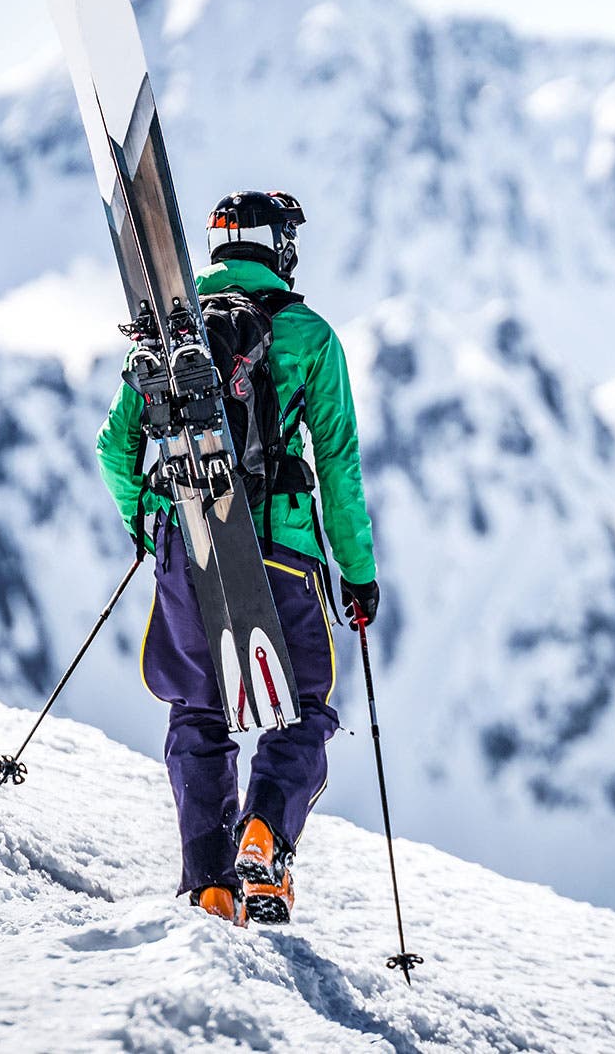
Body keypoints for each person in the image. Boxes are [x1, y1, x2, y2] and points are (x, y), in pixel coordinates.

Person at [95, 189, 381, 927]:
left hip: (188, 543)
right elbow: (339, 464)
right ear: (277, 246)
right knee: (303, 707)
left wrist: (148, 520)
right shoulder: (311, 337)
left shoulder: (168, 333)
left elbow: (116, 446)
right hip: (282, 551)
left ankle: (212, 884)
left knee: (199, 709)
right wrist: (358, 573)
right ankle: (264, 839)